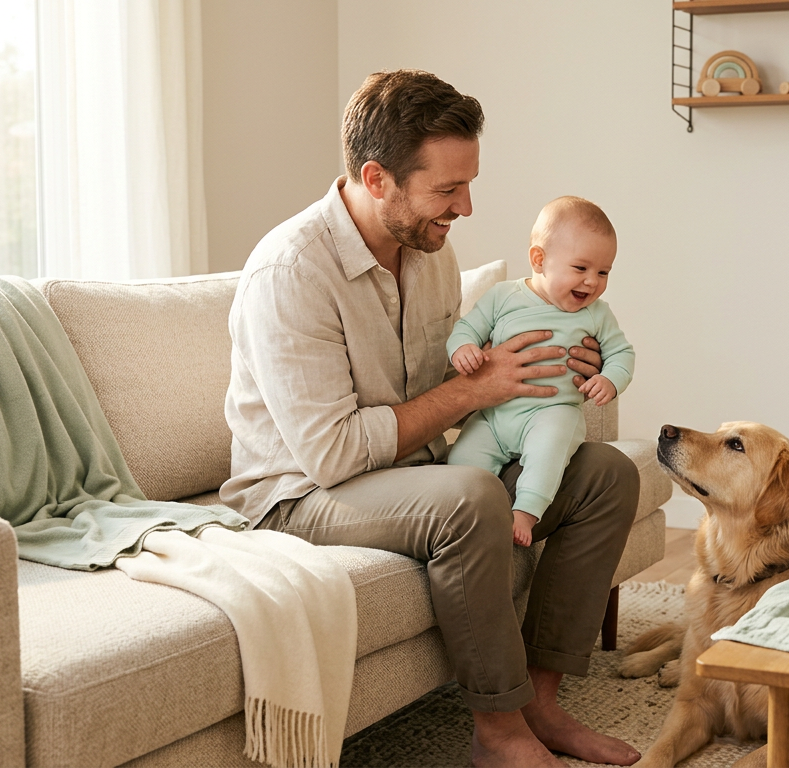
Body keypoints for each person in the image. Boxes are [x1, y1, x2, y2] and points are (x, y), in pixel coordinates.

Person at [220, 69, 641, 767]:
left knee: (605, 473)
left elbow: (443, 380)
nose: (467, 208)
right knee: (471, 497)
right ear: (377, 177)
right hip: (298, 495)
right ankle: (499, 731)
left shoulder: (428, 253)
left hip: (408, 472)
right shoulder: (291, 273)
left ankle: (540, 700)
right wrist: (471, 395)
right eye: (448, 190)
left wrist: (552, 362)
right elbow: (332, 455)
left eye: (467, 184)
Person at [448, 197, 634, 548]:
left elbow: (621, 353)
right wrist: (464, 349)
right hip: (494, 414)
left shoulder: (597, 314)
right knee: (462, 461)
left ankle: (526, 512)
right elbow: (466, 328)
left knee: (550, 449)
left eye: (603, 272)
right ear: (539, 259)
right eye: (581, 268)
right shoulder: (502, 297)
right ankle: (469, 517)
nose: (592, 282)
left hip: (552, 411)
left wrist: (610, 378)